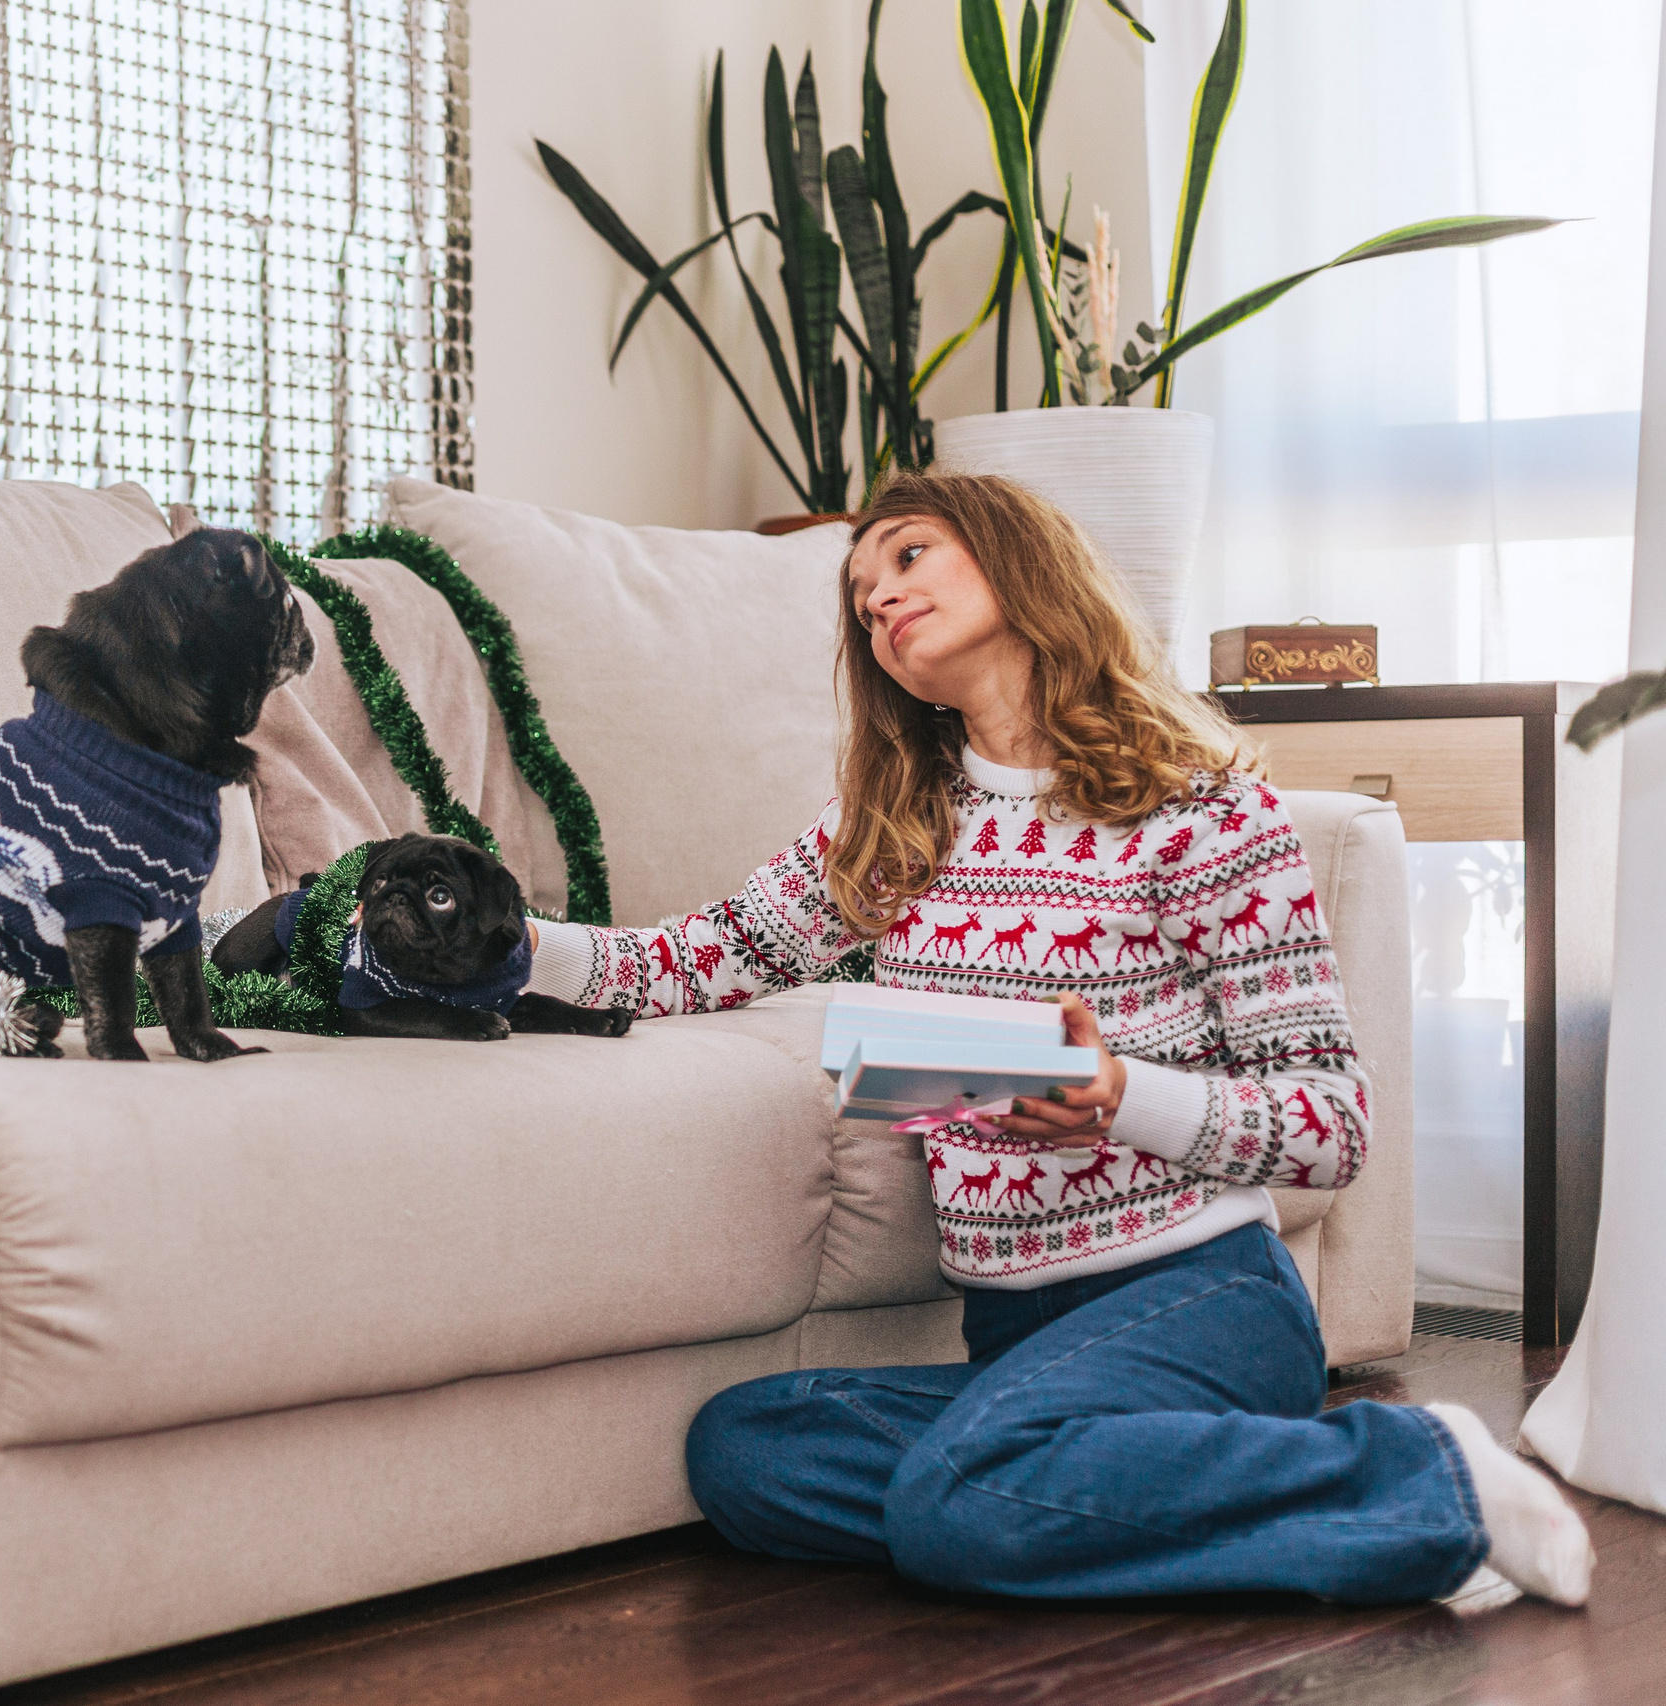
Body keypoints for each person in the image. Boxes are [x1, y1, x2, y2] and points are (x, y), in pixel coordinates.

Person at [517, 472, 1593, 1607]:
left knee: (958, 1501)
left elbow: (1329, 1127)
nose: (877, 597)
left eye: (906, 556)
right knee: (747, 1449)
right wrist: (506, 948)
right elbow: (702, 954)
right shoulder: (895, 828)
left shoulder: (1202, 814)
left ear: (1015, 560)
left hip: (1199, 1298)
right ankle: (1186, 1498)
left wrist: (1117, 1092)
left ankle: (1416, 1474)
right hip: (1013, 1329)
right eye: (859, 591)